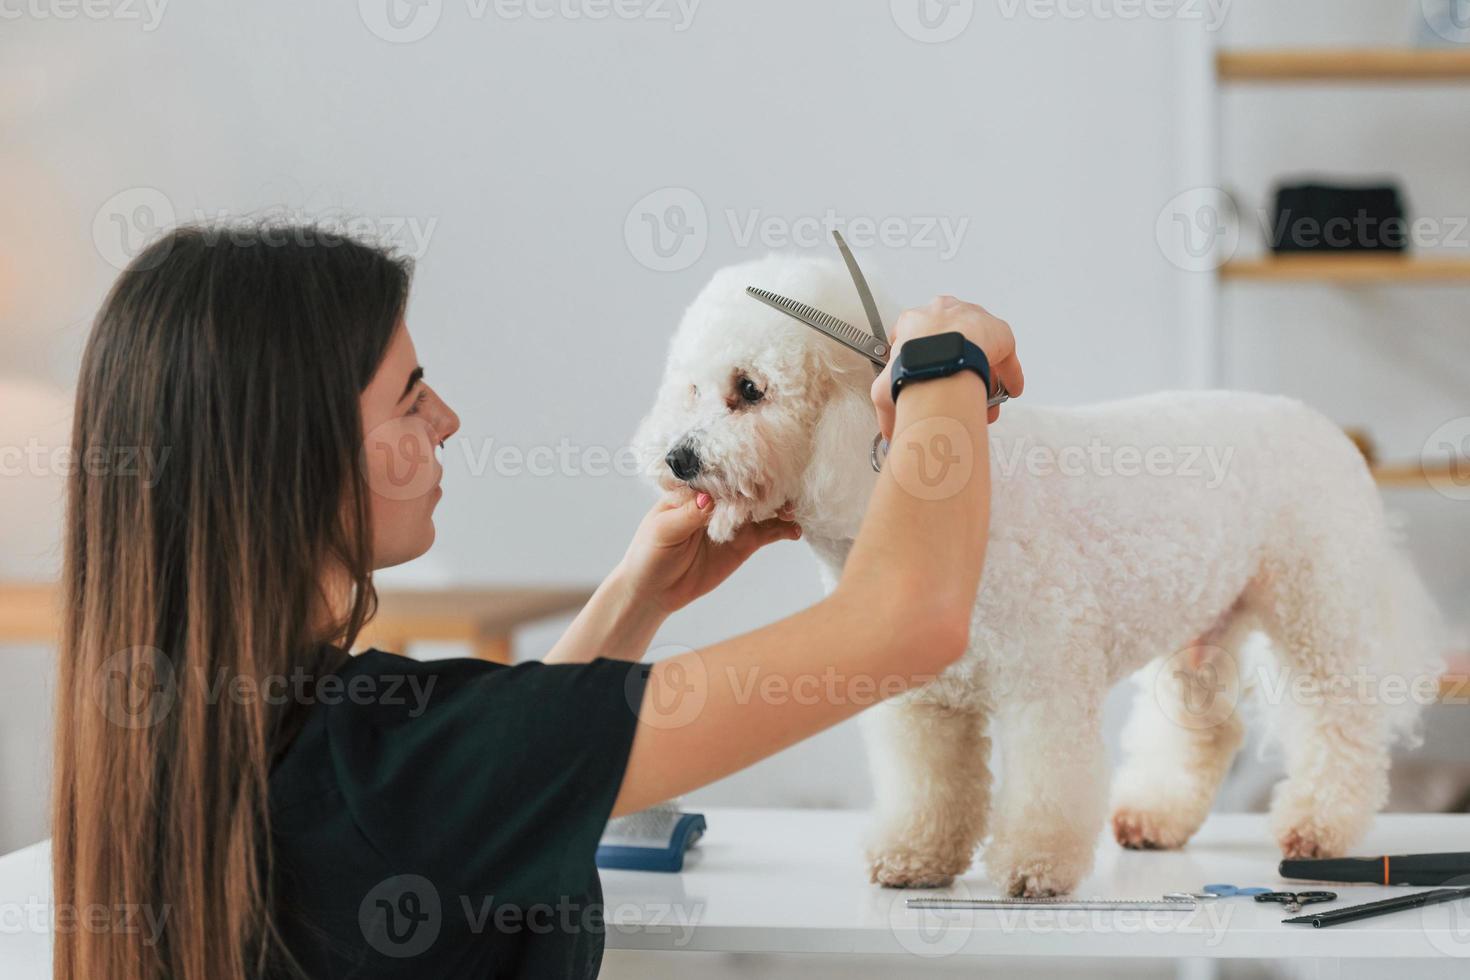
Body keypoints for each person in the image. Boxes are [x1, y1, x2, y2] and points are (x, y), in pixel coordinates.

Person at [52, 224, 1023, 979]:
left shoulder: (192, 736)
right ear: (292, 455)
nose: (448, 420)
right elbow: (911, 617)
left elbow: (478, 791)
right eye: (410, 396)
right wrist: (944, 366)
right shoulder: (395, 761)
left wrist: (635, 598)